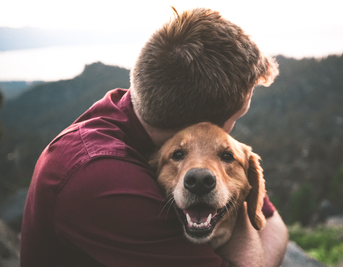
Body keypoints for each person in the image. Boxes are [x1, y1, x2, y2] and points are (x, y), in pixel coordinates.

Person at [20, 7, 288, 267]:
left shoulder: (138, 110)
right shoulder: (102, 179)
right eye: (236, 118)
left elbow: (273, 223)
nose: (226, 134)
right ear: (201, 125)